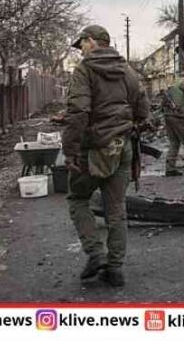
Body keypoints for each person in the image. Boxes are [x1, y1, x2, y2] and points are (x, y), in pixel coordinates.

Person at [62, 24, 149, 287]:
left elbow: (78, 111)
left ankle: (96, 254)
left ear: (92, 41)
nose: (81, 50)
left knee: (78, 199)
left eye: (82, 44)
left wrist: (70, 150)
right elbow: (142, 109)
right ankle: (116, 269)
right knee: (116, 209)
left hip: (93, 148)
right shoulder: (128, 71)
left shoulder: (85, 70)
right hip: (122, 147)